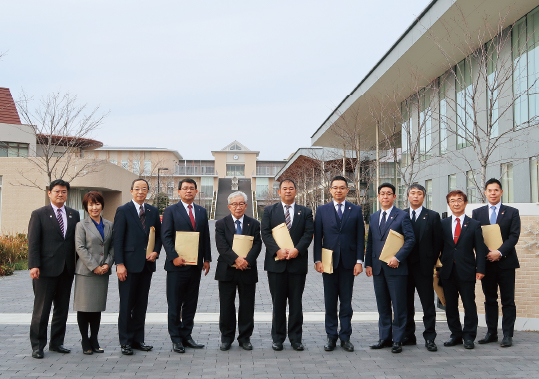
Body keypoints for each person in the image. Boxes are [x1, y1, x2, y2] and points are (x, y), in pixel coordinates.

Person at [28, 179, 81, 359]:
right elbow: (33, 242)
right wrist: (33, 265)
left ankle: (57, 342)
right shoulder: (39, 214)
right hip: (45, 270)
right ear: (49, 193)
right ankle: (37, 346)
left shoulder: (74, 214)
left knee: (62, 309)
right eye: (57, 191)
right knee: (41, 310)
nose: (60, 194)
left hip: (67, 269)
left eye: (64, 191)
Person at [313, 175, 365, 352]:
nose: (338, 190)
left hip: (349, 262)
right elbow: (318, 237)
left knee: (346, 302)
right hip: (328, 262)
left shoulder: (356, 210)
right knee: (329, 301)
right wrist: (317, 260)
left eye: (342, 187)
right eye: (335, 187)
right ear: (330, 190)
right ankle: (331, 336)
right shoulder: (322, 210)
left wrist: (359, 261)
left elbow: (360, 238)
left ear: (347, 190)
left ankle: (345, 336)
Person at [261, 179, 314, 351]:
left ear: (296, 191)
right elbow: (265, 233)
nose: (288, 191)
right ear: (279, 192)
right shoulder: (269, 210)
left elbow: (308, 234)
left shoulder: (305, 212)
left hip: (297, 264)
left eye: (291, 188)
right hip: (276, 264)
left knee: (296, 303)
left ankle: (296, 338)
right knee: (278, 303)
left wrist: (297, 250)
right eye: (285, 189)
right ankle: (278, 338)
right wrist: (276, 250)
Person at [161, 178, 211, 354]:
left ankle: (186, 335)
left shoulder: (201, 211)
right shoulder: (170, 211)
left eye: (191, 188)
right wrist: (173, 256)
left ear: (196, 192)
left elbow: (205, 236)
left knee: (191, 303)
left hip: (195, 265)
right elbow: (165, 236)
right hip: (177, 266)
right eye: (185, 188)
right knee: (175, 303)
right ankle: (176, 338)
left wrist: (207, 259)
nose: (188, 191)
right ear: (179, 192)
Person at [113, 178, 162, 355]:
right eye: (137, 189)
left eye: (144, 189)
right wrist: (119, 264)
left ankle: (138, 339)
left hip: (146, 265)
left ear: (147, 192)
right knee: (126, 304)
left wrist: (156, 252)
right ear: (131, 191)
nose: (141, 192)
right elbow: (117, 240)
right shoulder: (123, 210)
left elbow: (159, 236)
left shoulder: (152, 211)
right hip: (128, 266)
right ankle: (125, 341)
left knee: (141, 305)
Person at [365, 183, 415, 354]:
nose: (385, 196)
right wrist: (368, 264)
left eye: (389, 194)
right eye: (382, 194)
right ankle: (384, 337)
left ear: (394, 197)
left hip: (396, 268)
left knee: (399, 305)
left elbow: (410, 240)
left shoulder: (402, 216)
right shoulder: (373, 217)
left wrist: (398, 257)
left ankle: (398, 339)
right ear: (378, 197)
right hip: (378, 268)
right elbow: (370, 241)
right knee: (383, 305)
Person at [472, 178, 520, 348]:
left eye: (496, 190)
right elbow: (477, 237)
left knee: (508, 300)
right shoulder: (478, 213)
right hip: (487, 263)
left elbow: (514, 236)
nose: (493, 193)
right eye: (490, 190)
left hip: (506, 263)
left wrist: (499, 252)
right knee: (490, 299)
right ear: (485, 193)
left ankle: (508, 335)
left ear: (501, 192)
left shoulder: (512, 212)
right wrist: (488, 253)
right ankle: (491, 332)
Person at [215, 191, 262, 351]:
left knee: (247, 305)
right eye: (234, 204)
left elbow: (257, 244)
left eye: (241, 203)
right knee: (226, 305)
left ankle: (245, 338)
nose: (238, 207)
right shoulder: (221, 223)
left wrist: (246, 260)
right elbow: (221, 246)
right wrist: (236, 259)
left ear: (246, 206)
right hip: (227, 270)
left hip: (247, 269)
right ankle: (226, 338)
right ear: (229, 206)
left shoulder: (254, 224)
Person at [440, 190, 487, 350]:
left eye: (459, 200)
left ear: (465, 203)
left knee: (469, 304)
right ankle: (456, 335)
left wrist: (480, 269)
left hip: (467, 271)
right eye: (452, 200)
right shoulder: (443, 224)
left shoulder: (473, 224)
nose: (456, 203)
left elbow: (480, 249)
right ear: (449, 204)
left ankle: (469, 336)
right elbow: (438, 248)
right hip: (447, 271)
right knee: (450, 305)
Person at [402, 184, 442, 352]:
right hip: (404, 268)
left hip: (424, 268)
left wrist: (431, 262)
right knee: (406, 304)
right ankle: (408, 335)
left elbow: (438, 242)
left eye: (419, 193)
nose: (416, 196)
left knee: (427, 304)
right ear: (408, 196)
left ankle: (430, 337)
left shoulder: (432, 216)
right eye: (413, 193)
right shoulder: (401, 214)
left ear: (424, 197)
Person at [74, 191, 114, 355]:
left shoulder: (109, 224)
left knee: (96, 308)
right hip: (86, 272)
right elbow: (80, 248)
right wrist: (94, 266)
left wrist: (107, 264)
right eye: (91, 204)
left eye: (97, 204)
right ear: (86, 207)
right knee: (84, 308)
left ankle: (95, 339)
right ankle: (85, 340)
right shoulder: (81, 225)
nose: (94, 207)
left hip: (103, 272)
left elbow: (113, 246)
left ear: (102, 205)